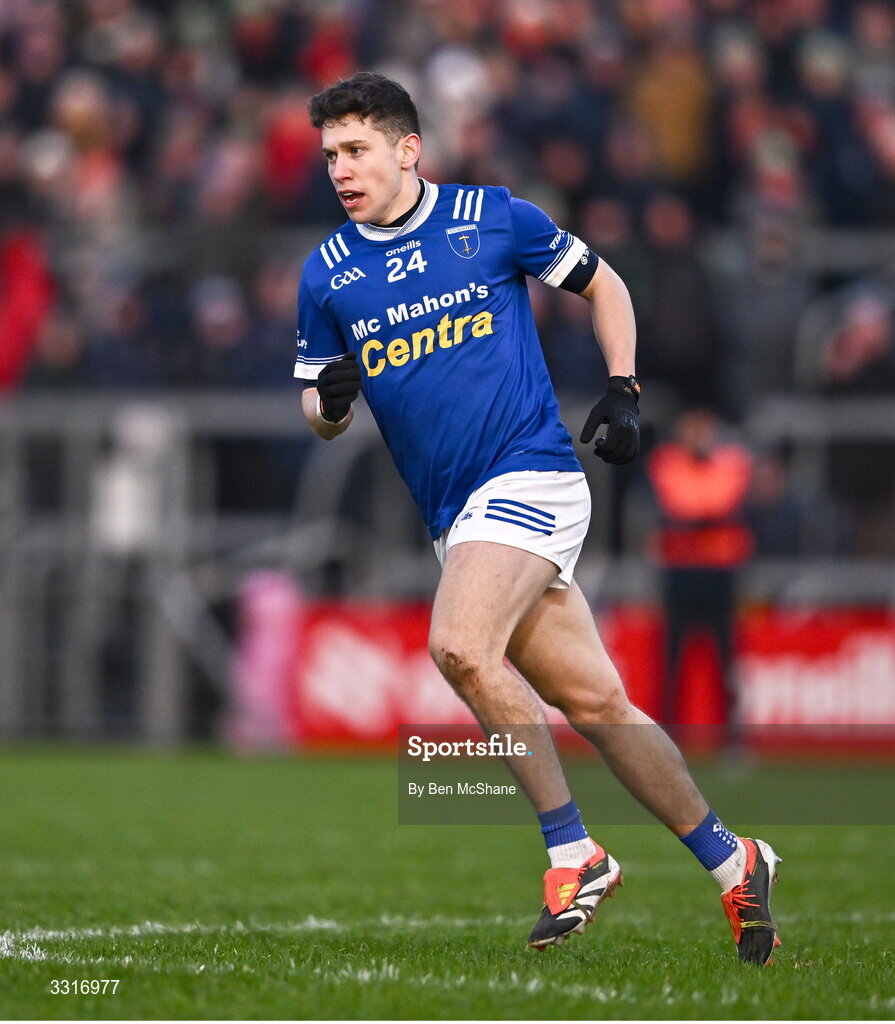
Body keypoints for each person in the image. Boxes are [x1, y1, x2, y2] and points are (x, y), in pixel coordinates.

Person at [294, 72, 781, 965]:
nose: (341, 170)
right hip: (455, 514)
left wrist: (625, 391)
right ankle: (733, 858)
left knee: (459, 647)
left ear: (407, 149)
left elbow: (606, 286)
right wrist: (329, 401)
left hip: (530, 474)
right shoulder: (326, 273)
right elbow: (320, 415)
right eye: (330, 156)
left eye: (356, 150)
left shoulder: (491, 217)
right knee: (596, 701)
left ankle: (572, 850)